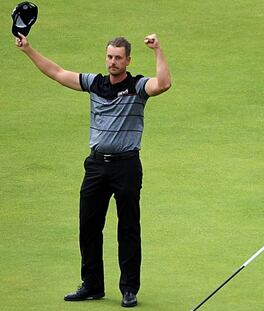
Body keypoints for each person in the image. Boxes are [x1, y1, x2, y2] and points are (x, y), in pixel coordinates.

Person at [15, 32, 171, 307]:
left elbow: (164, 84)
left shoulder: (137, 86)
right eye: (110, 56)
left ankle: (129, 289)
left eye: (118, 58)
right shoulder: (95, 83)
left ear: (128, 60)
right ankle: (92, 285)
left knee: (128, 228)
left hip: (126, 166)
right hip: (97, 166)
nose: (113, 62)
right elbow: (57, 72)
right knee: (88, 226)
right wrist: (28, 49)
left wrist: (158, 50)